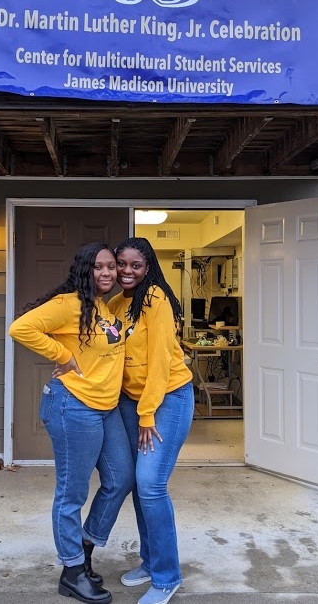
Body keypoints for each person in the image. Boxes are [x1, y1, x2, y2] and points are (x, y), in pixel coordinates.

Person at [8, 242, 134, 604]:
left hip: (105, 408)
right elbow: (21, 328)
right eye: (98, 267)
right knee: (71, 493)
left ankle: (84, 546)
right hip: (73, 406)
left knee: (120, 479)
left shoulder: (105, 308)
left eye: (111, 267)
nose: (107, 273)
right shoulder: (68, 304)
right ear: (84, 270)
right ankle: (72, 571)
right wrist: (63, 355)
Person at [108, 237, 194, 604]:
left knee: (151, 484)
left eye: (135, 265)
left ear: (148, 268)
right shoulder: (114, 304)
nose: (127, 271)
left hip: (167, 400)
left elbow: (160, 361)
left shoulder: (155, 298)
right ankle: (150, 560)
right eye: (121, 264)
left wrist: (147, 414)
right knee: (140, 489)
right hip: (130, 402)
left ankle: (166, 575)